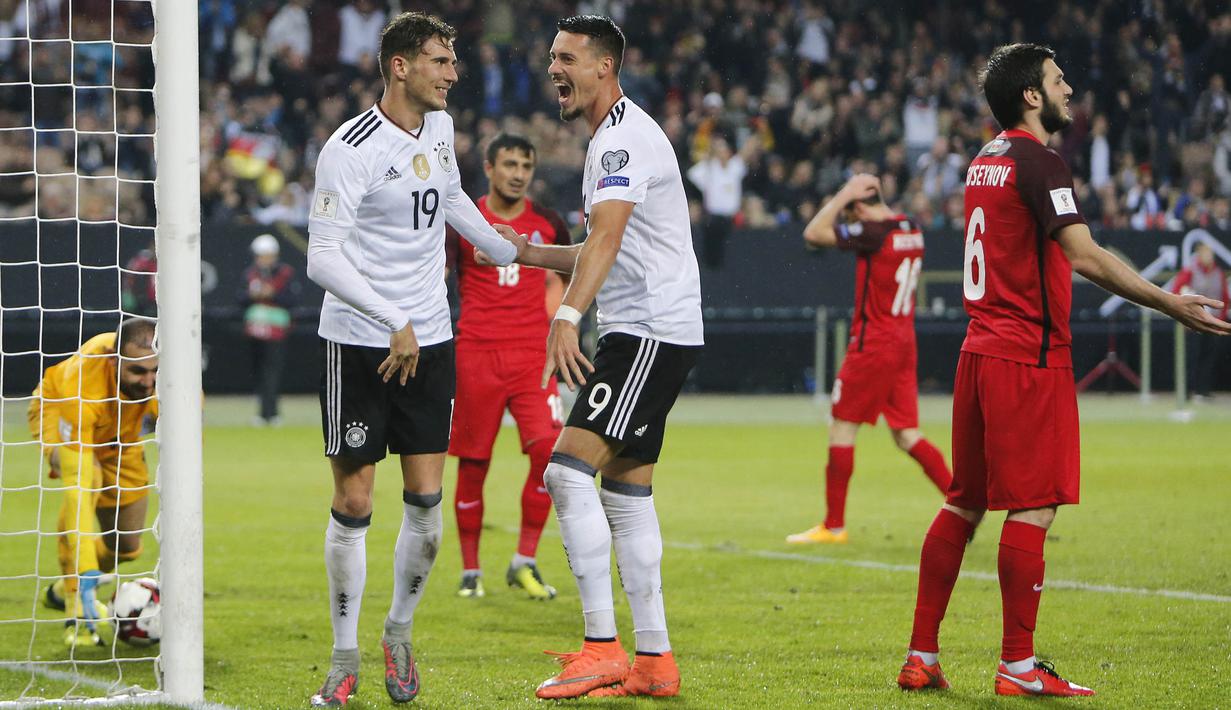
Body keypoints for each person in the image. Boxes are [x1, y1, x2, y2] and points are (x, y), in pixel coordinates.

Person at [896, 43, 1231, 697]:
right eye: (1056, 80)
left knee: (963, 502)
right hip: (1026, 354)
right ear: (1030, 95)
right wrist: (1167, 302)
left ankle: (921, 655)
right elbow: (1082, 255)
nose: (1068, 89)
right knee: (1033, 507)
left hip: (977, 350)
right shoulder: (1037, 159)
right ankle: (1016, 667)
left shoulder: (983, 161)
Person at [304, 11, 521, 707]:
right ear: (400, 66)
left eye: (452, 61)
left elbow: (451, 198)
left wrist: (504, 247)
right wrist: (389, 318)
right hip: (360, 343)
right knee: (355, 498)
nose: (452, 73)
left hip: (429, 339)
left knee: (425, 501)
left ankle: (397, 635)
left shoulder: (439, 128)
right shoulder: (350, 147)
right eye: (439, 60)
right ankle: (343, 658)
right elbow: (322, 256)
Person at [498, 15, 704, 699]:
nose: (552, 68)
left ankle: (599, 647)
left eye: (565, 58)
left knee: (564, 473)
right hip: (653, 331)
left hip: (643, 333)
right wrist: (525, 251)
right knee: (625, 492)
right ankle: (654, 661)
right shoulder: (615, 136)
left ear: (603, 67)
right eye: (550, 56)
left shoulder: (619, 141)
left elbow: (607, 243)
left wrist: (566, 314)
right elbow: (598, 245)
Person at [787, 174, 952, 545]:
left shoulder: (872, 230)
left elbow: (814, 233)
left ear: (859, 207)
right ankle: (963, 503)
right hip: (904, 338)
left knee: (842, 427)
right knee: (907, 434)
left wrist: (843, 193)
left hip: (873, 342)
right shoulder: (911, 225)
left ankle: (833, 526)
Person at [445, 133, 571, 600]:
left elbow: (567, 274)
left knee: (549, 456)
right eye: (510, 164)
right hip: (476, 353)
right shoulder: (463, 219)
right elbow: (437, 277)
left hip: (532, 359)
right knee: (474, 462)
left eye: (526, 165)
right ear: (490, 167)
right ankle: (470, 571)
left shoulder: (548, 222)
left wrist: (561, 320)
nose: (519, 173)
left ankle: (524, 560)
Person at [30, 318, 159, 648]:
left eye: (154, 370)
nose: (149, 381)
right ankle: (76, 603)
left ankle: (59, 592)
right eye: (137, 372)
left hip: (121, 433)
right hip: (60, 414)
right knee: (89, 479)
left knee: (128, 546)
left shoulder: (169, 375)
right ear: (115, 361)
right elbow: (78, 492)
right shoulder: (83, 385)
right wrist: (87, 570)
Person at [240, 233, 298, 426]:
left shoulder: (285, 274)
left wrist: (273, 294)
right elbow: (240, 299)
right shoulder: (250, 274)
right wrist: (252, 295)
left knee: (271, 371)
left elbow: (292, 301)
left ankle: (271, 413)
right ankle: (262, 410)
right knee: (258, 371)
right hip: (255, 330)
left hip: (276, 331)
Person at [1172, 242, 1229, 400]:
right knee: (1192, 356)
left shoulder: (1218, 273)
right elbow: (1177, 291)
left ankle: (1203, 390)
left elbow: (1224, 298)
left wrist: (1221, 320)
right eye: (1205, 253)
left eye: (1210, 254)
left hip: (1213, 322)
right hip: (1194, 323)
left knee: (1209, 357)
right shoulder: (1190, 271)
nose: (1208, 257)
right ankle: (1188, 391)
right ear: (1199, 255)